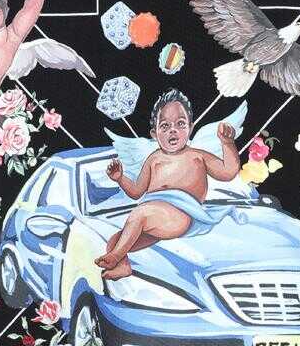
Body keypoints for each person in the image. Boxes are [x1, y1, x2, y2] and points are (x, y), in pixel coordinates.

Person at [95, 89, 241, 279]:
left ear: (191, 127)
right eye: (165, 126)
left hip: (181, 215)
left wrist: (227, 144)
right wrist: (120, 179)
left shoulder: (197, 156)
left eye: (180, 124)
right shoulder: (153, 159)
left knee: (140, 214)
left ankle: (115, 257)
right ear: (154, 134)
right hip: (154, 219)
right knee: (116, 240)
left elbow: (228, 172)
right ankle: (122, 266)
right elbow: (137, 192)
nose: (173, 130)